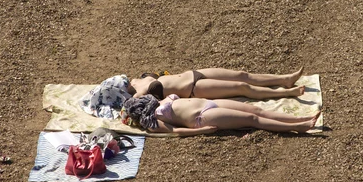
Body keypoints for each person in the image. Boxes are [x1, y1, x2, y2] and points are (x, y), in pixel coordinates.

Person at [121, 94, 321, 136]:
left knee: (254, 109)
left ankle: (300, 119)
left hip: (207, 102)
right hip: (202, 117)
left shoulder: (157, 101)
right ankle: (298, 127)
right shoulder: (152, 122)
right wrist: (202, 132)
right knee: (253, 120)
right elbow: (176, 131)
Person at [126, 67, 305, 101]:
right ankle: (285, 93)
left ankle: (284, 79)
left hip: (193, 74)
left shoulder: (137, 79)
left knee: (241, 75)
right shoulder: (136, 96)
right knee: (242, 88)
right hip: (193, 90)